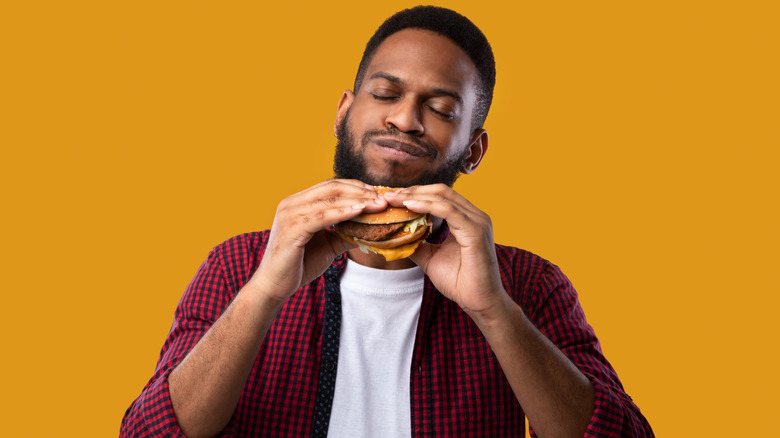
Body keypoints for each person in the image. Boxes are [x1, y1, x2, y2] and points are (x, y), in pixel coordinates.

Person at [121, 6, 653, 438]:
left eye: (441, 109)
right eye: (386, 94)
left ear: (474, 149)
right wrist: (262, 294)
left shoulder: (527, 285)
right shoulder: (238, 264)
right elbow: (146, 433)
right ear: (343, 112)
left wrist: (495, 312)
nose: (404, 119)